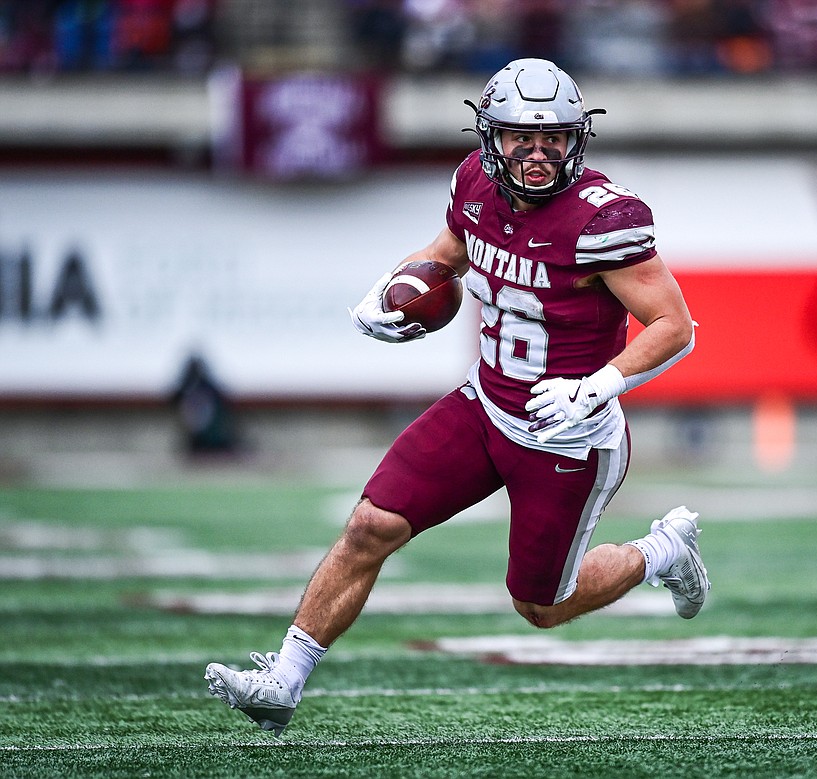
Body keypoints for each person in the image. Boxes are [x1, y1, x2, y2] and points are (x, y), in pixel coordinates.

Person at [204, 58, 708, 737]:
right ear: (490, 139)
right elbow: (447, 250)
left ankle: (663, 550)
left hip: (566, 438)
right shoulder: (473, 185)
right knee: (370, 525)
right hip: (484, 406)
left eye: (554, 138)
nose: (537, 154)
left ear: (576, 140)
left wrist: (596, 387)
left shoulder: (604, 219)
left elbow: (675, 327)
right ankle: (283, 682)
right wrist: (394, 287)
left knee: (541, 606)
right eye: (520, 139)